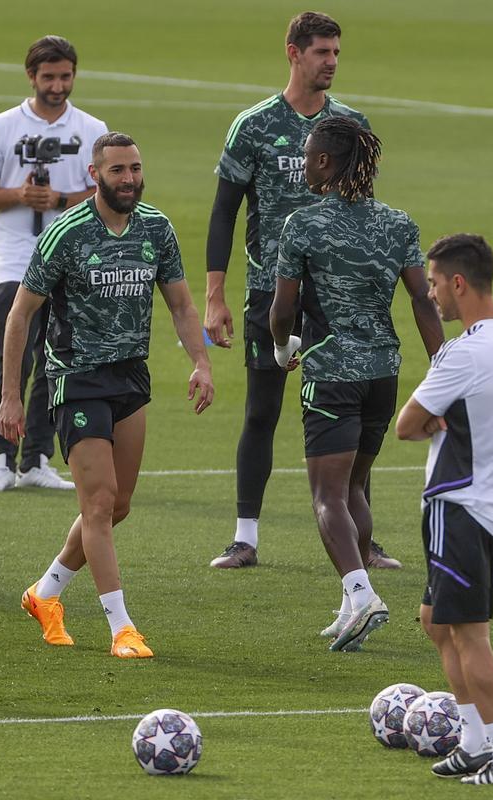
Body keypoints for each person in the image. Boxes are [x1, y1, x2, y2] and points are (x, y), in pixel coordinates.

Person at [0, 132, 214, 659]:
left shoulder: (156, 229)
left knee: (117, 505)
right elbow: (21, 314)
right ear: (95, 175)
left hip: (130, 378)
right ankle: (122, 627)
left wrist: (201, 362)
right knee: (96, 502)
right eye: (118, 170)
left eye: (136, 169)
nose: (129, 179)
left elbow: (182, 306)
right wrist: (11, 396)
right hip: (76, 379)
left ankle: (44, 593)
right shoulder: (67, 234)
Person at [204, 12, 399, 570]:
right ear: (293, 53)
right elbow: (224, 212)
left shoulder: (351, 125)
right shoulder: (256, 125)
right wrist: (216, 295)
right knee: (262, 410)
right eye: (321, 52)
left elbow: (367, 210)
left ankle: (365, 539)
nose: (332, 61)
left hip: (341, 298)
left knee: (356, 419)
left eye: (337, 52)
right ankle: (246, 538)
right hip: (272, 291)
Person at [271, 117, 442, 650]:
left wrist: (283, 347)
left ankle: (361, 591)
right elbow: (421, 299)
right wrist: (441, 365)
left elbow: (283, 308)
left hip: (330, 374)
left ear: (325, 162)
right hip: (383, 374)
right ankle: (351, 607)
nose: (303, 162)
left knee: (326, 495)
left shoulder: (302, 224)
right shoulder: (398, 224)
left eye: (308, 154)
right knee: (353, 487)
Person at [395, 233, 493, 785]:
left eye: (433, 283)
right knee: (437, 621)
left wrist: (433, 419)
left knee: (469, 634)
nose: (431, 294)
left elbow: (407, 424)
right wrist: (443, 418)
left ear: (458, 283)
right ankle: (475, 741)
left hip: (457, 505)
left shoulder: (465, 351)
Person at [0, 35, 108, 493]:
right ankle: (0, 460)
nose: (58, 85)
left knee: (57, 360)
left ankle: (37, 459)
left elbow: (111, 191)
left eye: (65, 76)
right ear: (32, 77)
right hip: (15, 261)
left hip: (70, 262)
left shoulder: (91, 129)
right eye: (49, 77)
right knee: (13, 357)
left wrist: (64, 199)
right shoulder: (2, 126)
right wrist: (18, 196)